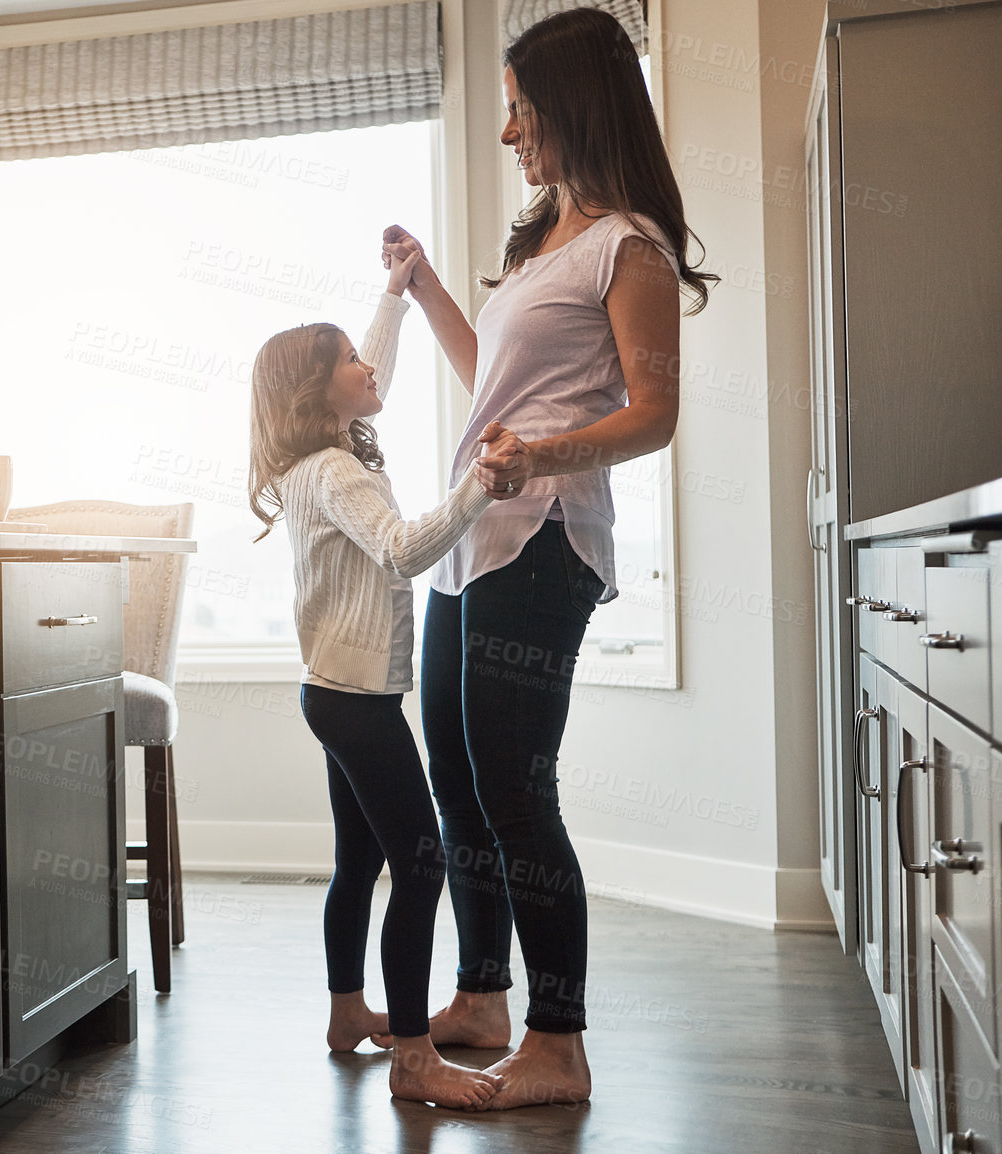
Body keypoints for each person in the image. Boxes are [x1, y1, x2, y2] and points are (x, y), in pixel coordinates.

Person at [383, 7, 718, 1110]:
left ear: (571, 104)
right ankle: (481, 995)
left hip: (542, 537)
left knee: (514, 785)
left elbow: (653, 410)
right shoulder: (544, 245)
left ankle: (558, 1038)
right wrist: (431, 284)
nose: (505, 131)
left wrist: (542, 458)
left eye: (518, 108)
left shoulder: (628, 245)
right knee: (456, 775)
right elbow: (497, 380)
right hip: (471, 537)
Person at [247, 242, 536, 1108]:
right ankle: (413, 1057)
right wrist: (480, 489)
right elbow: (406, 550)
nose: (368, 367)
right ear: (317, 391)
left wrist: (395, 296)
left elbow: (375, 368)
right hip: (359, 706)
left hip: (331, 694)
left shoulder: (312, 462)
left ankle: (347, 1016)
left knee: (357, 863)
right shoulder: (338, 472)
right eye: (349, 361)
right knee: (419, 868)